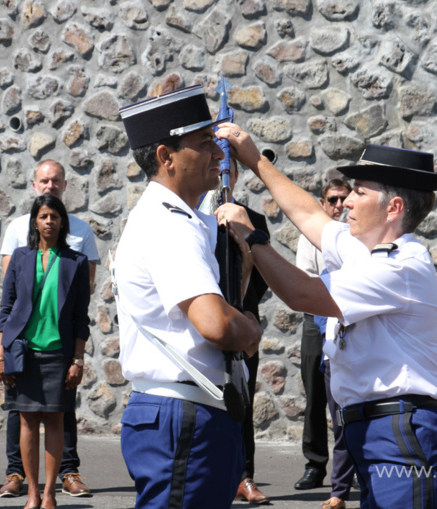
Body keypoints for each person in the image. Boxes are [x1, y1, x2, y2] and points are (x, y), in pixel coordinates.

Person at [215, 126, 437, 509]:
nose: (347, 201)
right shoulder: (368, 250)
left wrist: (252, 237)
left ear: (394, 207)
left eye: (360, 192)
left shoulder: (400, 264)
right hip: (377, 430)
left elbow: (302, 293)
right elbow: (309, 214)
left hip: (402, 432)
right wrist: (255, 160)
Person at [116, 84, 263, 508]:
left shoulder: (181, 220)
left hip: (192, 412)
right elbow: (216, 324)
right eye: (204, 143)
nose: (219, 153)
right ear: (167, 157)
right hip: (184, 415)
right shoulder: (169, 225)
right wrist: (251, 330)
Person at [0, 160, 99, 499]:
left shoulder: (78, 250)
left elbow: (81, 308)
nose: (49, 221)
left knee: (58, 419)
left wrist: (78, 358)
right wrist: (1, 351)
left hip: (59, 349)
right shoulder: (19, 248)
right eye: (43, 216)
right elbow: (9, 304)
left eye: (54, 217)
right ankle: (24, 485)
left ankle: (58, 486)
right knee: (24, 419)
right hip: (24, 349)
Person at [294, 178, 352, 496]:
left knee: (350, 395)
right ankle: (315, 464)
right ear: (322, 202)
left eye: (344, 198)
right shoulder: (311, 235)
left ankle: (352, 464)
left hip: (351, 316)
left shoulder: (357, 234)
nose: (339, 205)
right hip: (317, 317)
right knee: (315, 393)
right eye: (333, 199)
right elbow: (306, 279)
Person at [223, 160, 271, 505]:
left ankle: (244, 476)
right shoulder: (193, 217)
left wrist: (245, 306)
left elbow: (267, 273)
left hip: (243, 318)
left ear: (237, 176)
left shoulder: (252, 219)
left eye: (228, 169)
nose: (222, 175)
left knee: (242, 400)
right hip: (203, 320)